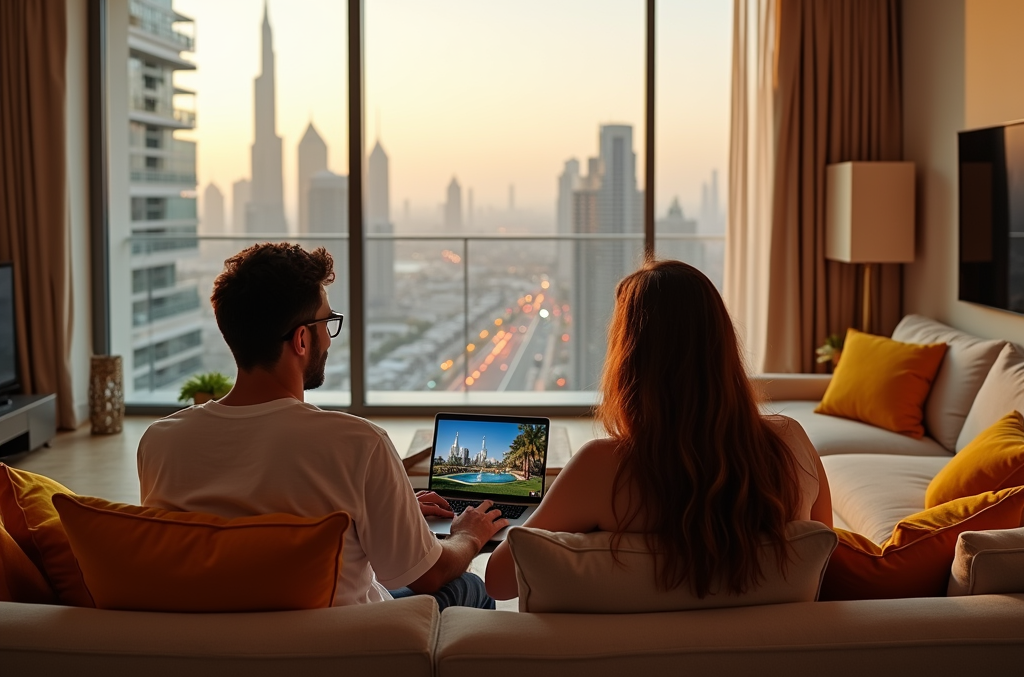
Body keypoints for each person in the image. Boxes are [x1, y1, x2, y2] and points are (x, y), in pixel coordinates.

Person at [138, 243, 507, 609]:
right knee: (468, 586)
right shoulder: (357, 443)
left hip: (211, 644)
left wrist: (389, 507)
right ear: (301, 339)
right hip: (337, 644)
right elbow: (427, 574)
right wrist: (468, 536)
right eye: (326, 323)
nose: (329, 338)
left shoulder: (161, 442)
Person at [485, 259, 832, 601]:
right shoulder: (792, 442)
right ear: (723, 346)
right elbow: (827, 563)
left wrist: (469, 534)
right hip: (771, 655)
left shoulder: (603, 467)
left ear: (629, 359)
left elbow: (499, 583)